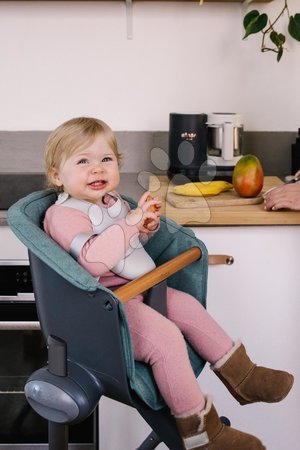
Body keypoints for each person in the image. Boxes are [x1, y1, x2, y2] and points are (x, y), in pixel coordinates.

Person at [43, 117, 294, 450]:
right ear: (58, 176)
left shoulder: (111, 202)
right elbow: (93, 259)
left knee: (188, 307)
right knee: (165, 338)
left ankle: (244, 377)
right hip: (105, 310)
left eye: (105, 159)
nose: (97, 169)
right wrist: (130, 225)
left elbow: (127, 252)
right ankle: (202, 434)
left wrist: (144, 226)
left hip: (138, 291)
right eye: (83, 161)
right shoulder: (63, 216)